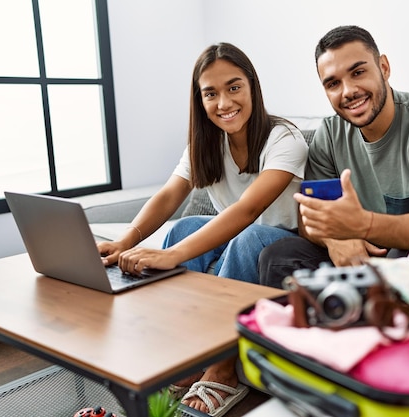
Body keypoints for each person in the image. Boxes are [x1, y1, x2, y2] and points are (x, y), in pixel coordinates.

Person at [97, 43, 308, 415]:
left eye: (233, 87)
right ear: (200, 99)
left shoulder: (284, 138)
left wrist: (172, 256)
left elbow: (250, 209)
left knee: (246, 237)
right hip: (240, 235)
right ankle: (188, 352)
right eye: (211, 93)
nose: (224, 102)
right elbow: (169, 195)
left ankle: (223, 366)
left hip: (281, 242)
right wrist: (126, 240)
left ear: (252, 87)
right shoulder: (205, 143)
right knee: (184, 228)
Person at [258, 25, 409, 288]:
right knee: (279, 257)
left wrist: (363, 225)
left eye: (358, 72)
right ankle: (304, 326)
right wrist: (337, 241)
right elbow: (309, 219)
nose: (348, 91)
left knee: (402, 259)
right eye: (333, 83)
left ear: (384, 68)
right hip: (371, 254)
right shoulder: (330, 135)